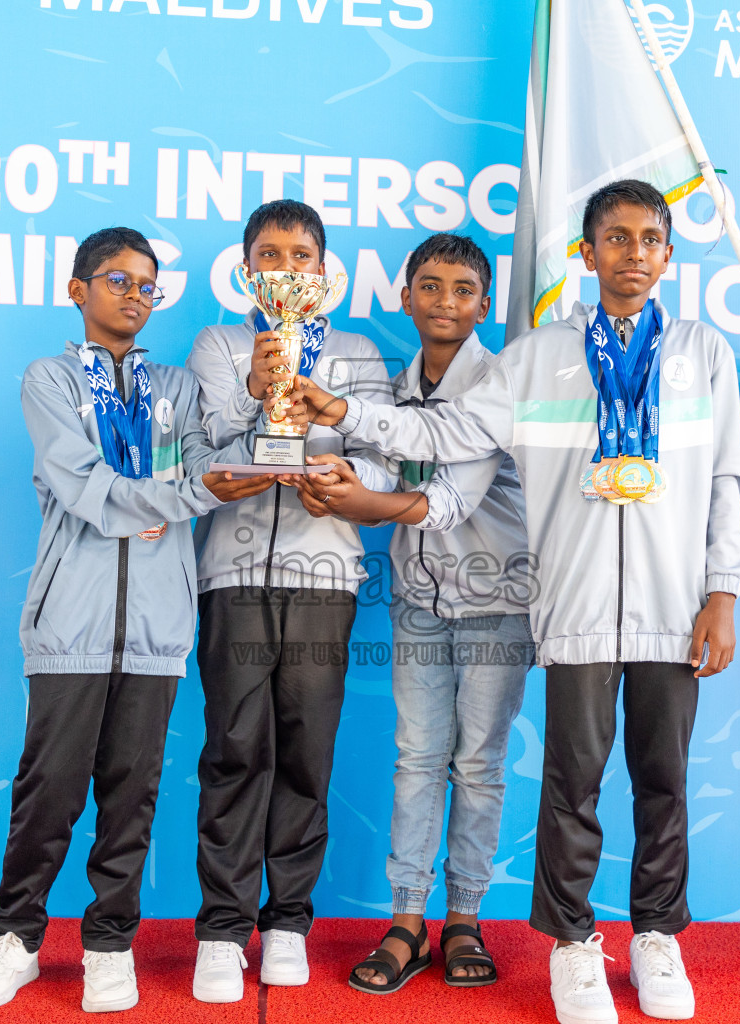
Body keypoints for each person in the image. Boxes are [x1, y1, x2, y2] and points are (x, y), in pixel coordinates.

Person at [288, 180, 740, 1024]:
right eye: (616, 237)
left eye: (650, 238)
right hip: (572, 608)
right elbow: (446, 434)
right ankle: (574, 945)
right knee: (570, 784)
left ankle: (657, 936)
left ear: (669, 255)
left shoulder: (703, 352)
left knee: (663, 780)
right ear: (587, 252)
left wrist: (721, 591)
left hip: (674, 607)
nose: (633, 252)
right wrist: (348, 411)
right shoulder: (538, 356)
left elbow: (724, 479)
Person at [0, 227, 274, 1013]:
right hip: (71, 622)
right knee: (50, 791)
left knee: (132, 792)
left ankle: (108, 943)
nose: (135, 296)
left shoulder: (176, 386)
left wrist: (265, 416)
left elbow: (203, 459)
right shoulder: (51, 380)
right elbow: (86, 489)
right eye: (118, 281)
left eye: (147, 285)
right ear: (78, 290)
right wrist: (190, 494)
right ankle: (17, 938)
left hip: (159, 626)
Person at [292, 233, 535, 993]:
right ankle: (406, 918)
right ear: (405, 297)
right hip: (420, 602)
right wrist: (340, 471)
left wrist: (364, 496)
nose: (445, 302)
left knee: (478, 763)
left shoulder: (500, 385)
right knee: (417, 757)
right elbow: (387, 460)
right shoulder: (396, 389)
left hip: (498, 603)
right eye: (429, 287)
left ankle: (463, 916)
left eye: (463, 289)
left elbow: (447, 498)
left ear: (485, 305)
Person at [183, 199, 395, 1003]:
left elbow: (384, 462)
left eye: (301, 254)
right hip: (233, 574)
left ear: (324, 267)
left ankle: (287, 923)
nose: (287, 267)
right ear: (247, 268)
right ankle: (223, 928)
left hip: (324, 578)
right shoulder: (218, 343)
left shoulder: (357, 351)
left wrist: (343, 490)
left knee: (306, 752)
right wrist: (254, 390)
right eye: (270, 253)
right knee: (235, 748)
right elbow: (206, 451)